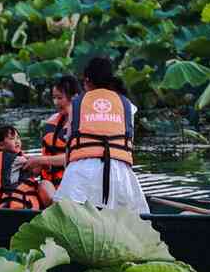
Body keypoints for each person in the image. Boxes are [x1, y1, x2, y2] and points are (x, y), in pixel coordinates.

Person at [52, 57, 149, 212]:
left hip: (81, 174)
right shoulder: (127, 105)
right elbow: (129, 143)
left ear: (87, 80)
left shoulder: (76, 105)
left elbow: (70, 146)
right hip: (120, 175)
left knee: (65, 213)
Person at [0, 124, 54, 210]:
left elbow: (33, 172)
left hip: (8, 201)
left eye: (18, 138)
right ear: (1, 145)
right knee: (45, 184)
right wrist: (45, 164)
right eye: (12, 139)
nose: (17, 141)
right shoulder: (15, 159)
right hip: (16, 204)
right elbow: (35, 164)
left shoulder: (5, 159)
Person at [36, 74, 80, 187]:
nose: (55, 102)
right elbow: (45, 155)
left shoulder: (83, 123)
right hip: (50, 184)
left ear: (74, 98)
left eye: (60, 98)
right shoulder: (52, 121)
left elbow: (75, 157)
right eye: (54, 98)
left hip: (73, 185)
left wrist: (40, 160)